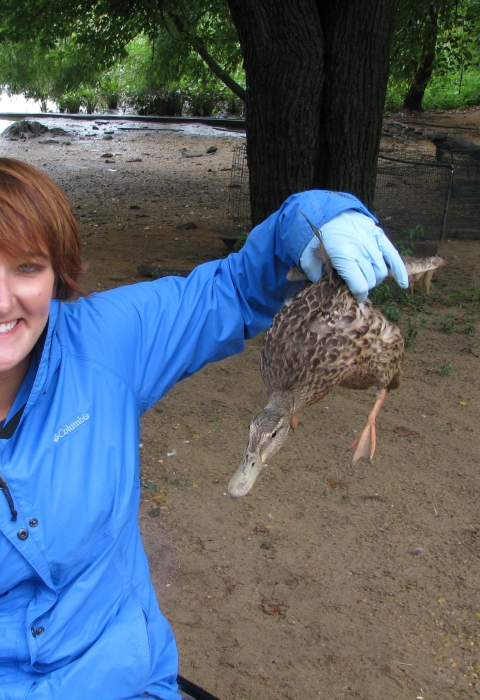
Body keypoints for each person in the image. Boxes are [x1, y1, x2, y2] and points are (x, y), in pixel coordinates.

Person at [0, 158, 407, 700]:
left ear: (56, 273)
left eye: (27, 267)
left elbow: (233, 289)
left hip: (129, 680)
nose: (3, 300)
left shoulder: (101, 344)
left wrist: (315, 221)